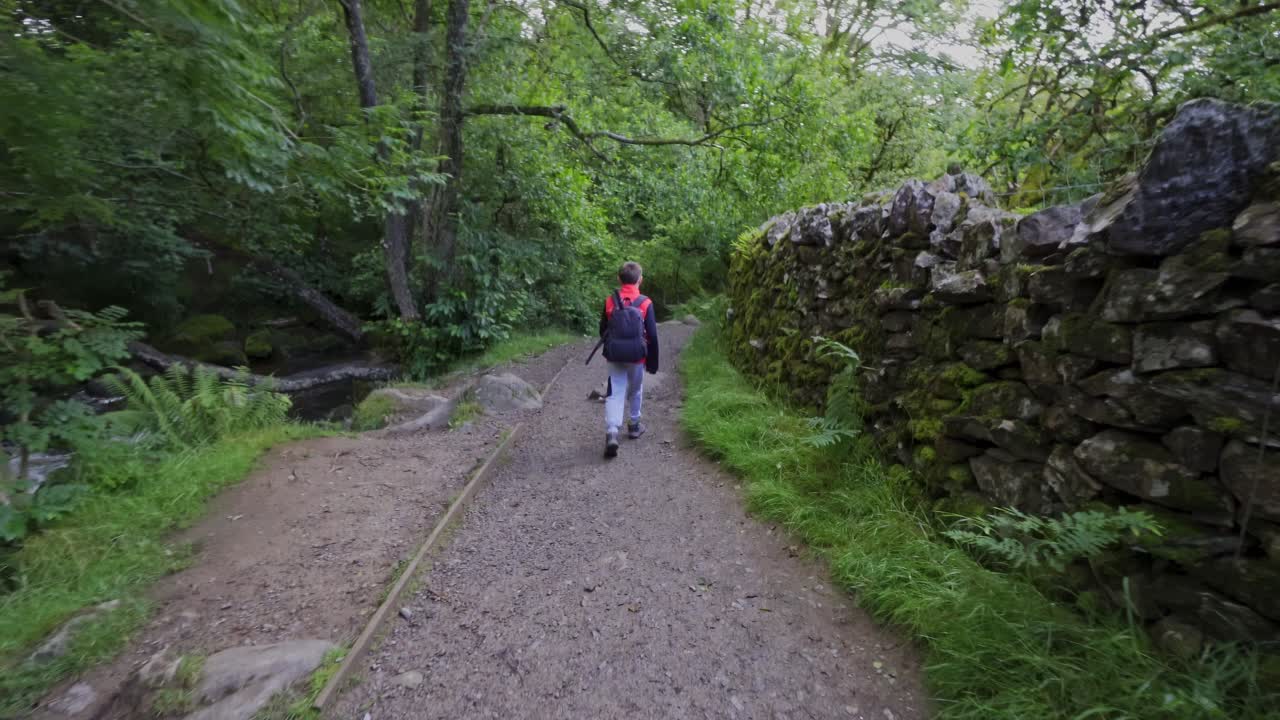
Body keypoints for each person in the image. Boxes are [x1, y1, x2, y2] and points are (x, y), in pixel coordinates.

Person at [598, 261, 659, 458]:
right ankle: (634, 425)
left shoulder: (610, 301)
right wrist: (653, 362)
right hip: (637, 357)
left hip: (615, 355)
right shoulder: (646, 303)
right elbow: (652, 334)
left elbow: (603, 329)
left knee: (615, 391)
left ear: (619, 279)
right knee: (635, 390)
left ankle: (612, 432)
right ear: (640, 280)